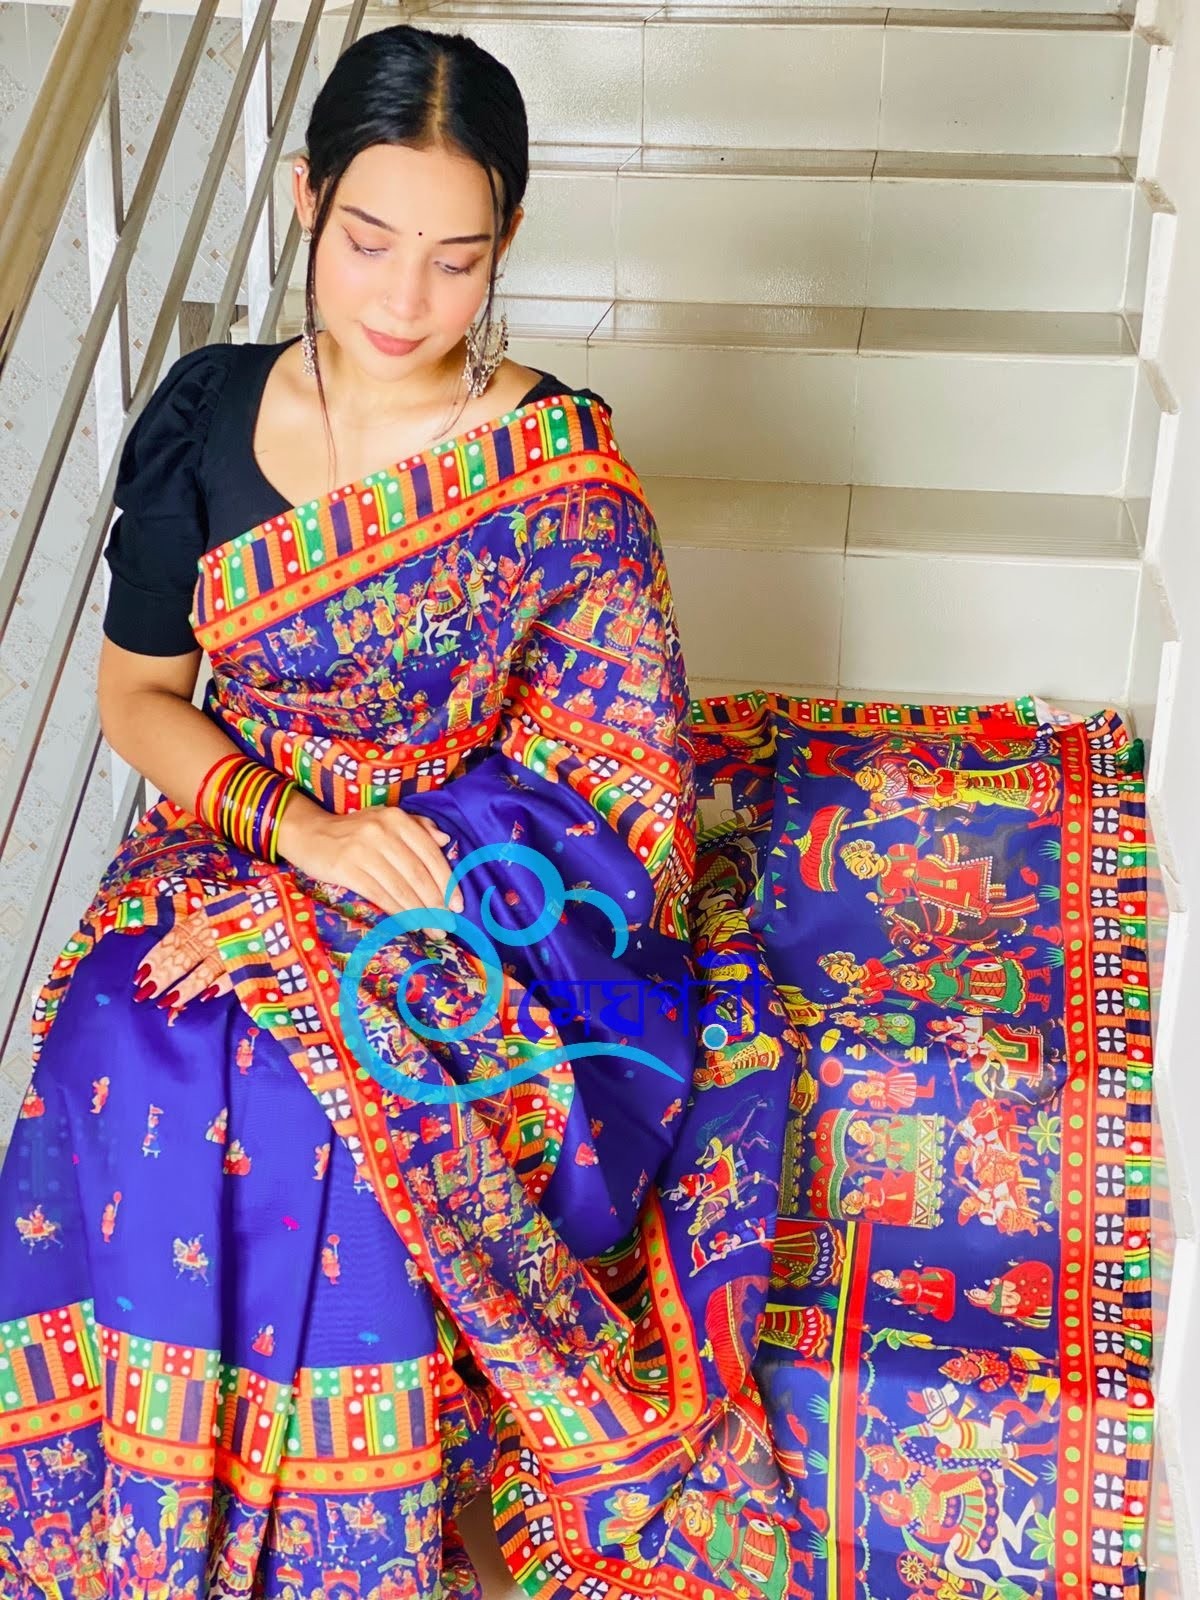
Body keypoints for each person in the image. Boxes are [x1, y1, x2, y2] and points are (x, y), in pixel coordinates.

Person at [0, 21, 1149, 1600]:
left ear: (510, 243)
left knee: (324, 1080)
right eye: (367, 241)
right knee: (119, 1033)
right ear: (305, 197)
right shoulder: (205, 417)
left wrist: (363, 889)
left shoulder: (554, 471)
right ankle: (134, 1512)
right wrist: (296, 838)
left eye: (456, 261)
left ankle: (355, 1533)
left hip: (472, 878)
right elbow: (141, 695)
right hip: (238, 832)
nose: (403, 301)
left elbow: (614, 783)